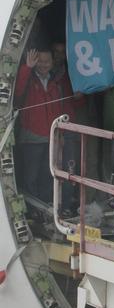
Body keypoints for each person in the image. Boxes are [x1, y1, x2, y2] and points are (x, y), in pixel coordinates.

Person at [15, 47, 75, 203]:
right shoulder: (28, 78)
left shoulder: (56, 82)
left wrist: (60, 135)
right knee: (30, 177)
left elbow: (59, 111)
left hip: (51, 138)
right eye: (39, 61)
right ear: (34, 62)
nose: (43, 64)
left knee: (48, 175)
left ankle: (46, 208)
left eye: (46, 61)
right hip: (31, 138)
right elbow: (17, 92)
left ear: (52, 62)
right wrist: (27, 67)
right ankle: (33, 211)